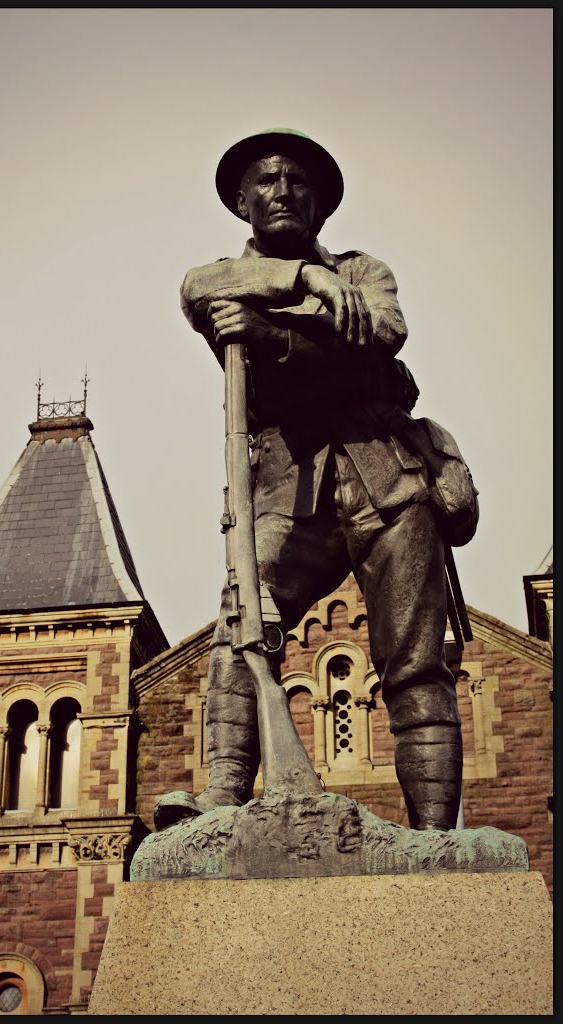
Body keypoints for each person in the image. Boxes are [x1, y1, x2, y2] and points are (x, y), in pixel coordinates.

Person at [155, 128, 477, 833]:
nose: (282, 192)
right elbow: (197, 290)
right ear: (241, 204)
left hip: (386, 479)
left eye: (298, 182)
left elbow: (382, 336)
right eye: (266, 182)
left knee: (416, 661)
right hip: (283, 487)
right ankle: (224, 791)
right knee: (245, 619)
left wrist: (274, 339)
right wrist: (306, 283)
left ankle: (433, 839)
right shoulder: (221, 277)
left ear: (321, 205)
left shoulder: (365, 272)